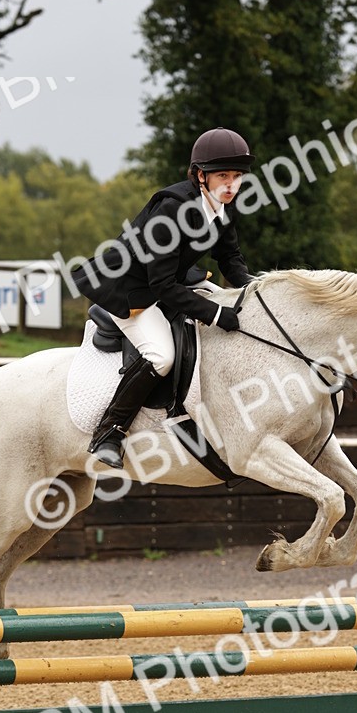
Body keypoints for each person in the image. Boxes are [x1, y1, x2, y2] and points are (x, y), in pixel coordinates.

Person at [74, 127, 255, 468]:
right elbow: (162, 288)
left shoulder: (224, 205)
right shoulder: (171, 210)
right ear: (200, 175)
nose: (231, 184)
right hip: (131, 289)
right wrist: (216, 314)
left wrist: (255, 291)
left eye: (237, 176)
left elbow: (230, 259)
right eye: (222, 176)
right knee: (162, 356)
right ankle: (110, 431)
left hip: (170, 281)